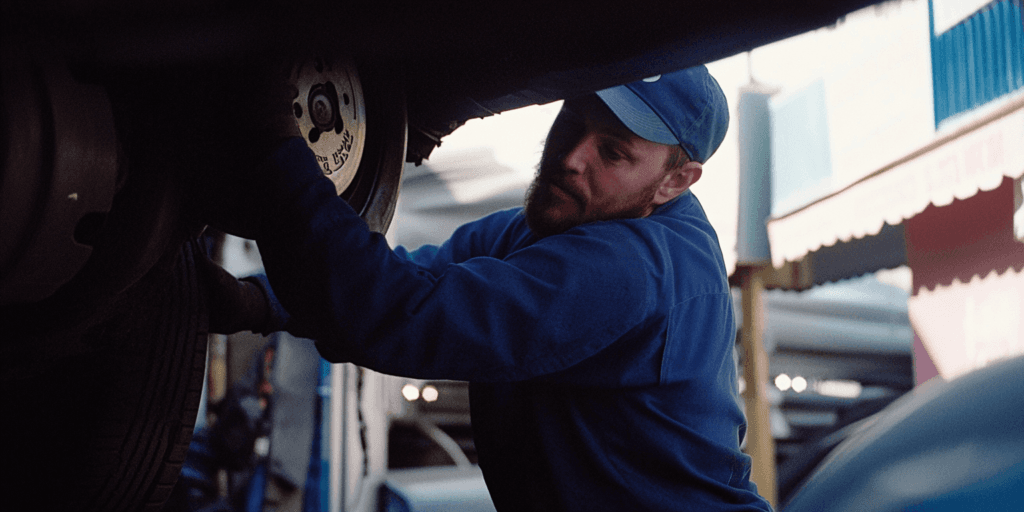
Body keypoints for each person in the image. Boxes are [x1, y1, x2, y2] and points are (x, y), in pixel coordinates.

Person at [204, 64, 773, 511]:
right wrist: (256, 300)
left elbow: (398, 314)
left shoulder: (639, 268)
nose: (570, 158)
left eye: (612, 151)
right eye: (574, 120)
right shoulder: (559, 223)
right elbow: (416, 276)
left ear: (675, 181)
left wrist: (277, 147)